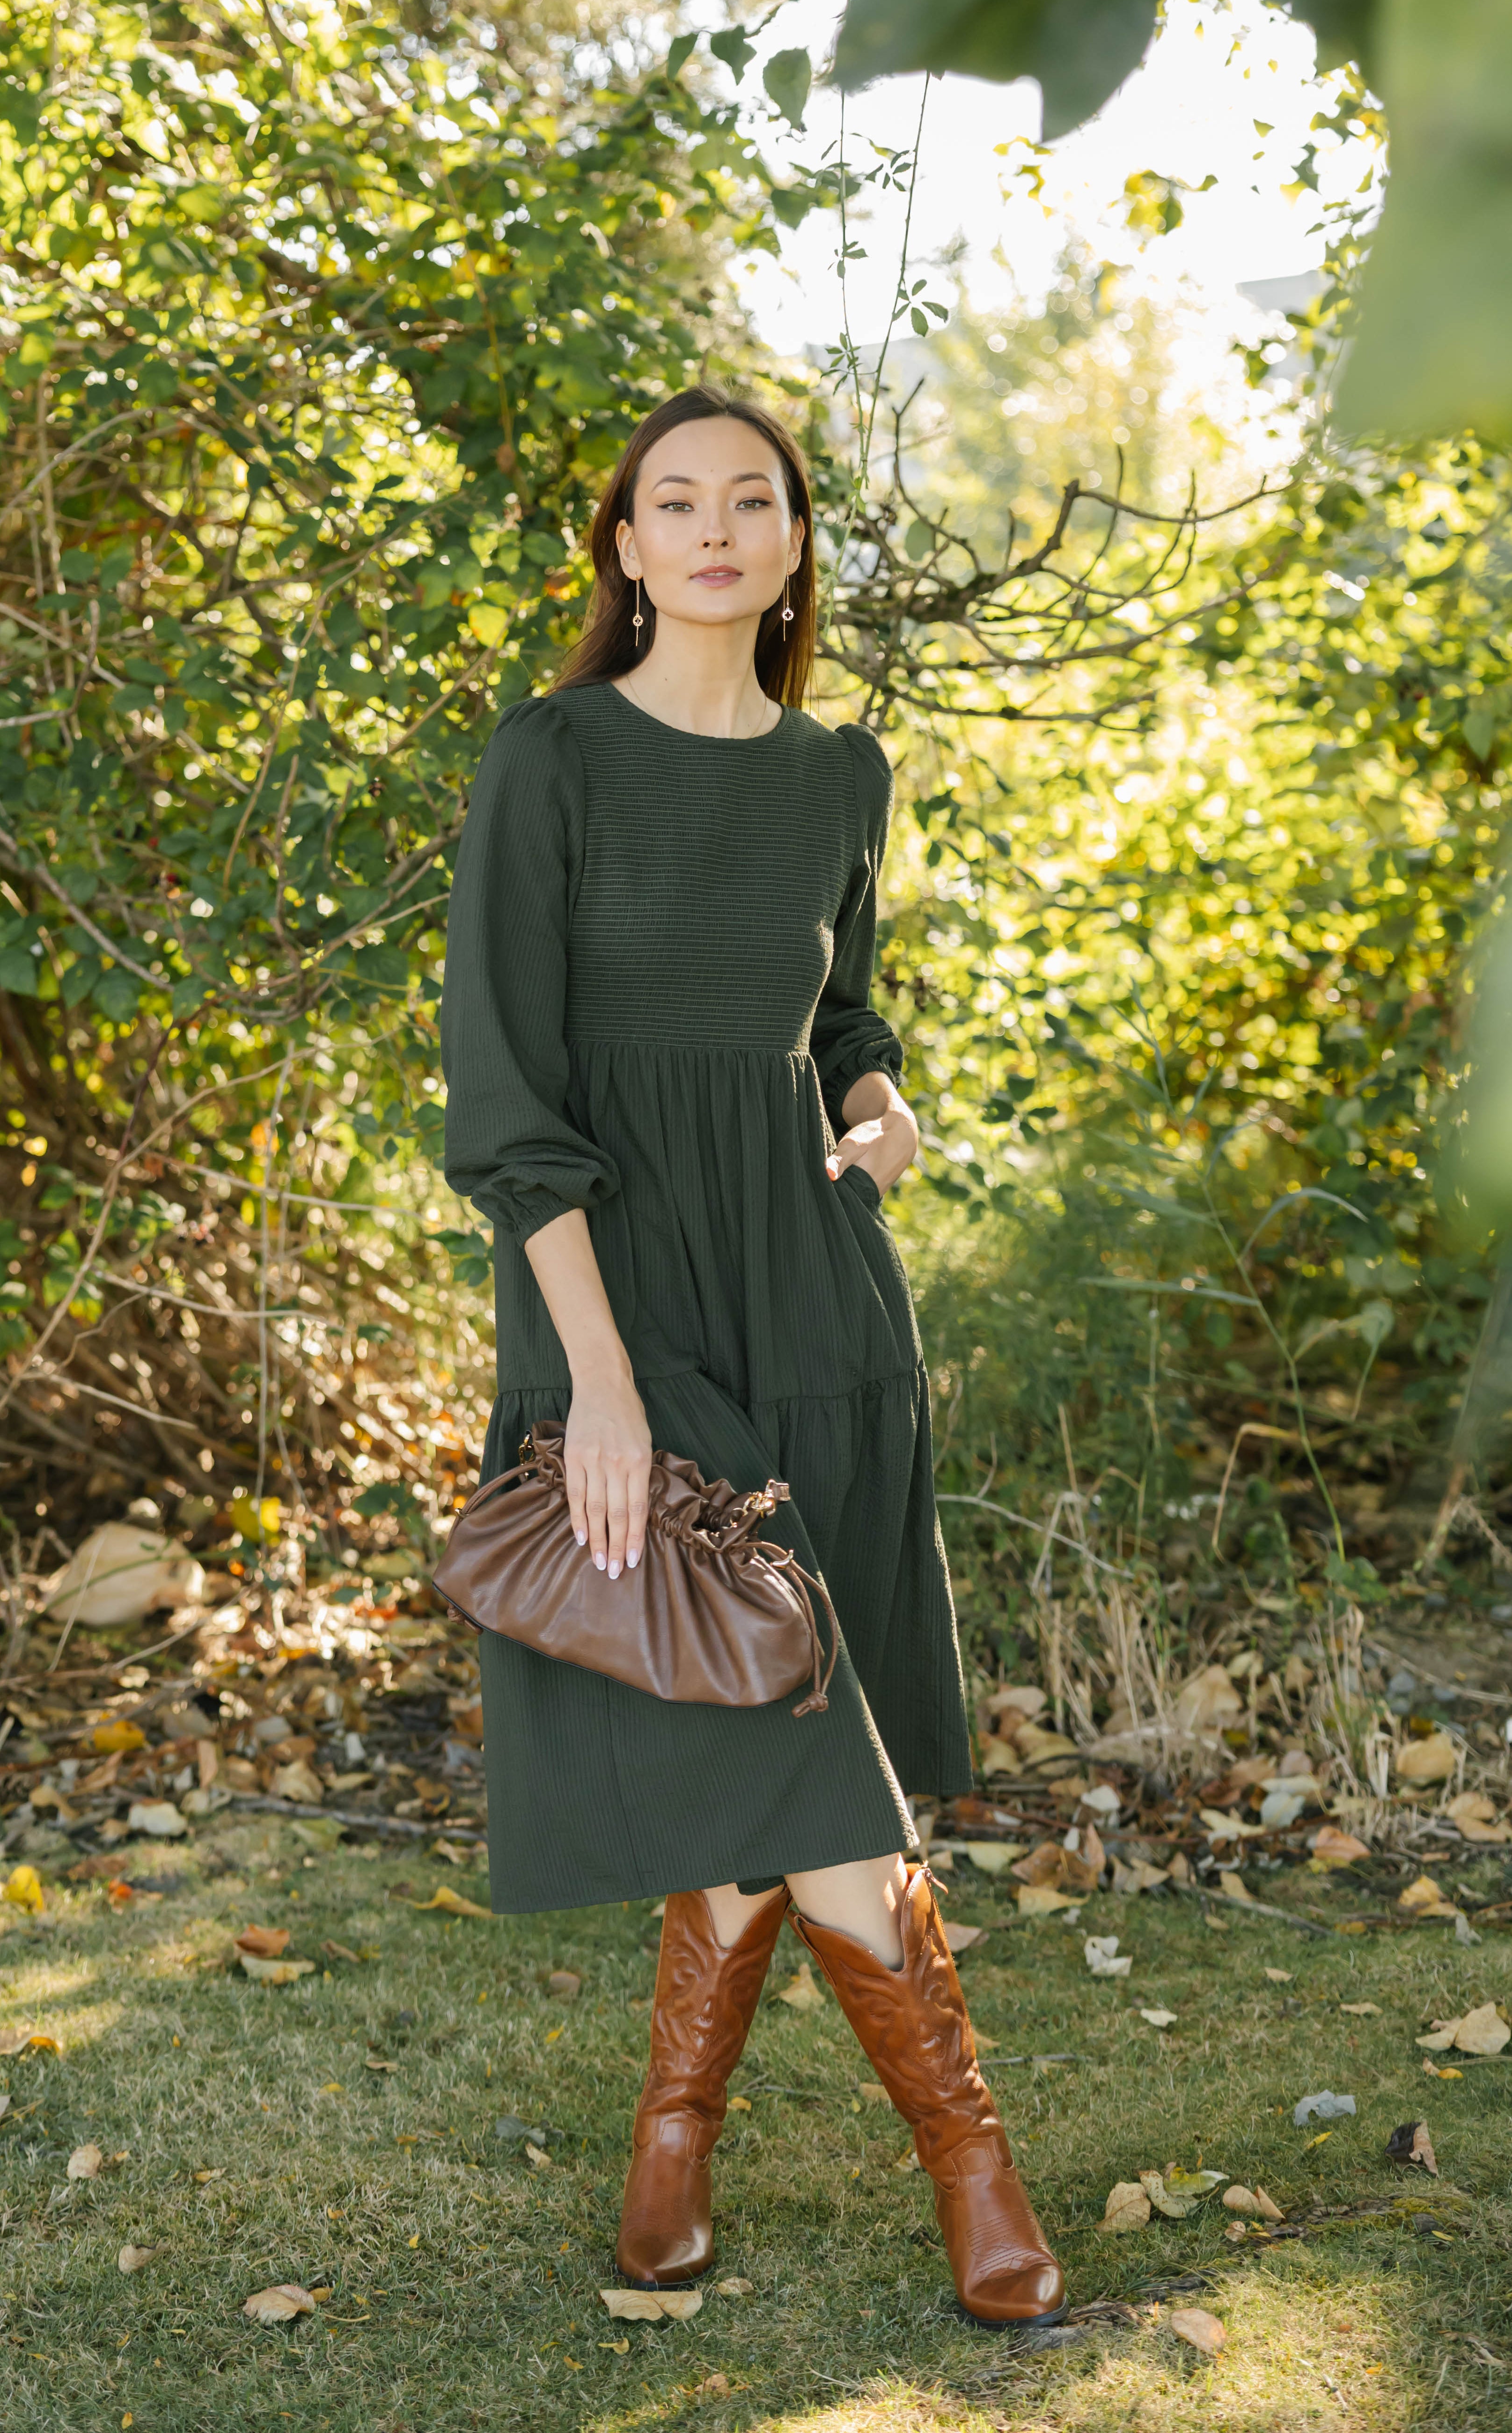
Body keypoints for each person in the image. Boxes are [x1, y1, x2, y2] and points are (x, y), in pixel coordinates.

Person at [438, 384, 1065, 2330]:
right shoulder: (544, 762)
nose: (713, 527)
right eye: (673, 501)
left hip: (818, 1303)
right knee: (798, 1755)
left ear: (794, 545)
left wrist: (881, 1106)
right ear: (625, 549)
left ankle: (675, 2138)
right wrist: (595, 1383)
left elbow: (842, 1009)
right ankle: (971, 2166)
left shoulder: (840, 772)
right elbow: (504, 1093)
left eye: (753, 500)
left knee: (776, 1722)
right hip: (622, 1306)